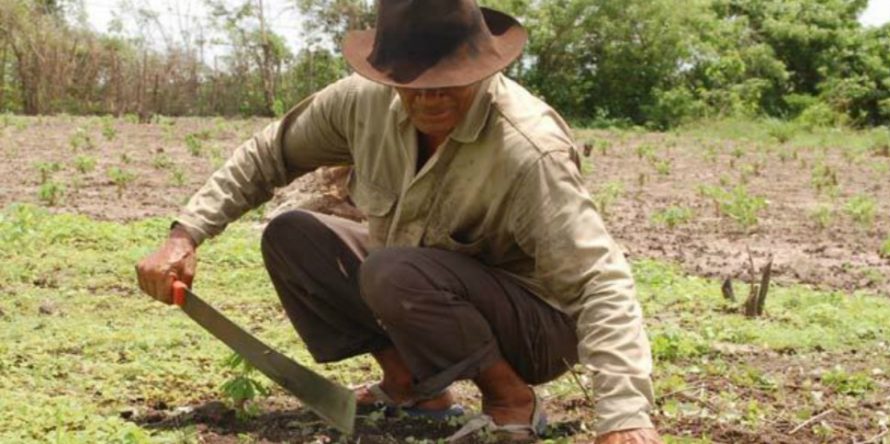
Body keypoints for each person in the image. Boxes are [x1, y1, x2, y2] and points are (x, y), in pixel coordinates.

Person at [135, 0, 662, 442]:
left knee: (394, 272)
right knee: (294, 236)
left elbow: (599, 281)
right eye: (414, 83)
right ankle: (412, 386)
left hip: (533, 325)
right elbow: (269, 153)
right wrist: (185, 234)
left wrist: (624, 418)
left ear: (483, 68)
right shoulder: (361, 103)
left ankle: (511, 401)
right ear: (388, 75)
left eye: (449, 82)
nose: (430, 97)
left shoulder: (527, 148)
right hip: (420, 284)